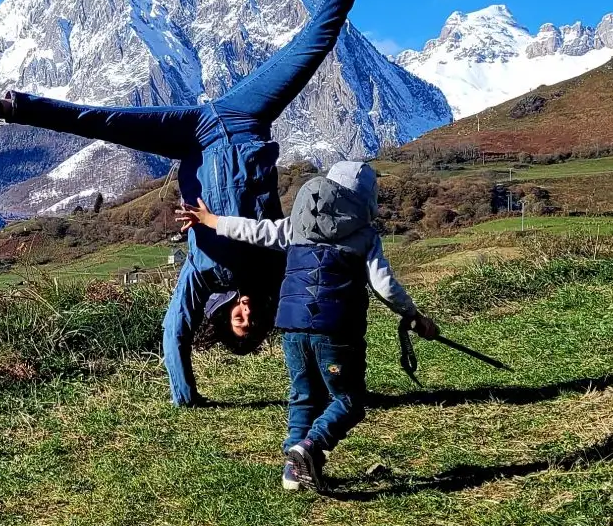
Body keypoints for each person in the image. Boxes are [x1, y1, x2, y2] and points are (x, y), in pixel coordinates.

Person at [0, 0, 433, 407]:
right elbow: (326, 274)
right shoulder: (279, 268)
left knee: (101, 120)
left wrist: (187, 397)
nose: (247, 318)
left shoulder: (200, 270)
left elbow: (173, 332)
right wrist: (396, 311)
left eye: (238, 325)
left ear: (224, 315)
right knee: (318, 40)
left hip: (191, 136)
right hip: (247, 117)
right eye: (254, 326)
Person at [176, 161, 439, 493]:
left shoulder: (297, 225)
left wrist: (211, 220)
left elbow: (255, 231)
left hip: (291, 325)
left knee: (303, 396)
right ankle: (310, 447)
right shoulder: (364, 235)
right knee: (349, 399)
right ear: (366, 198)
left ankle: (292, 471)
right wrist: (413, 315)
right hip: (337, 327)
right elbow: (384, 286)